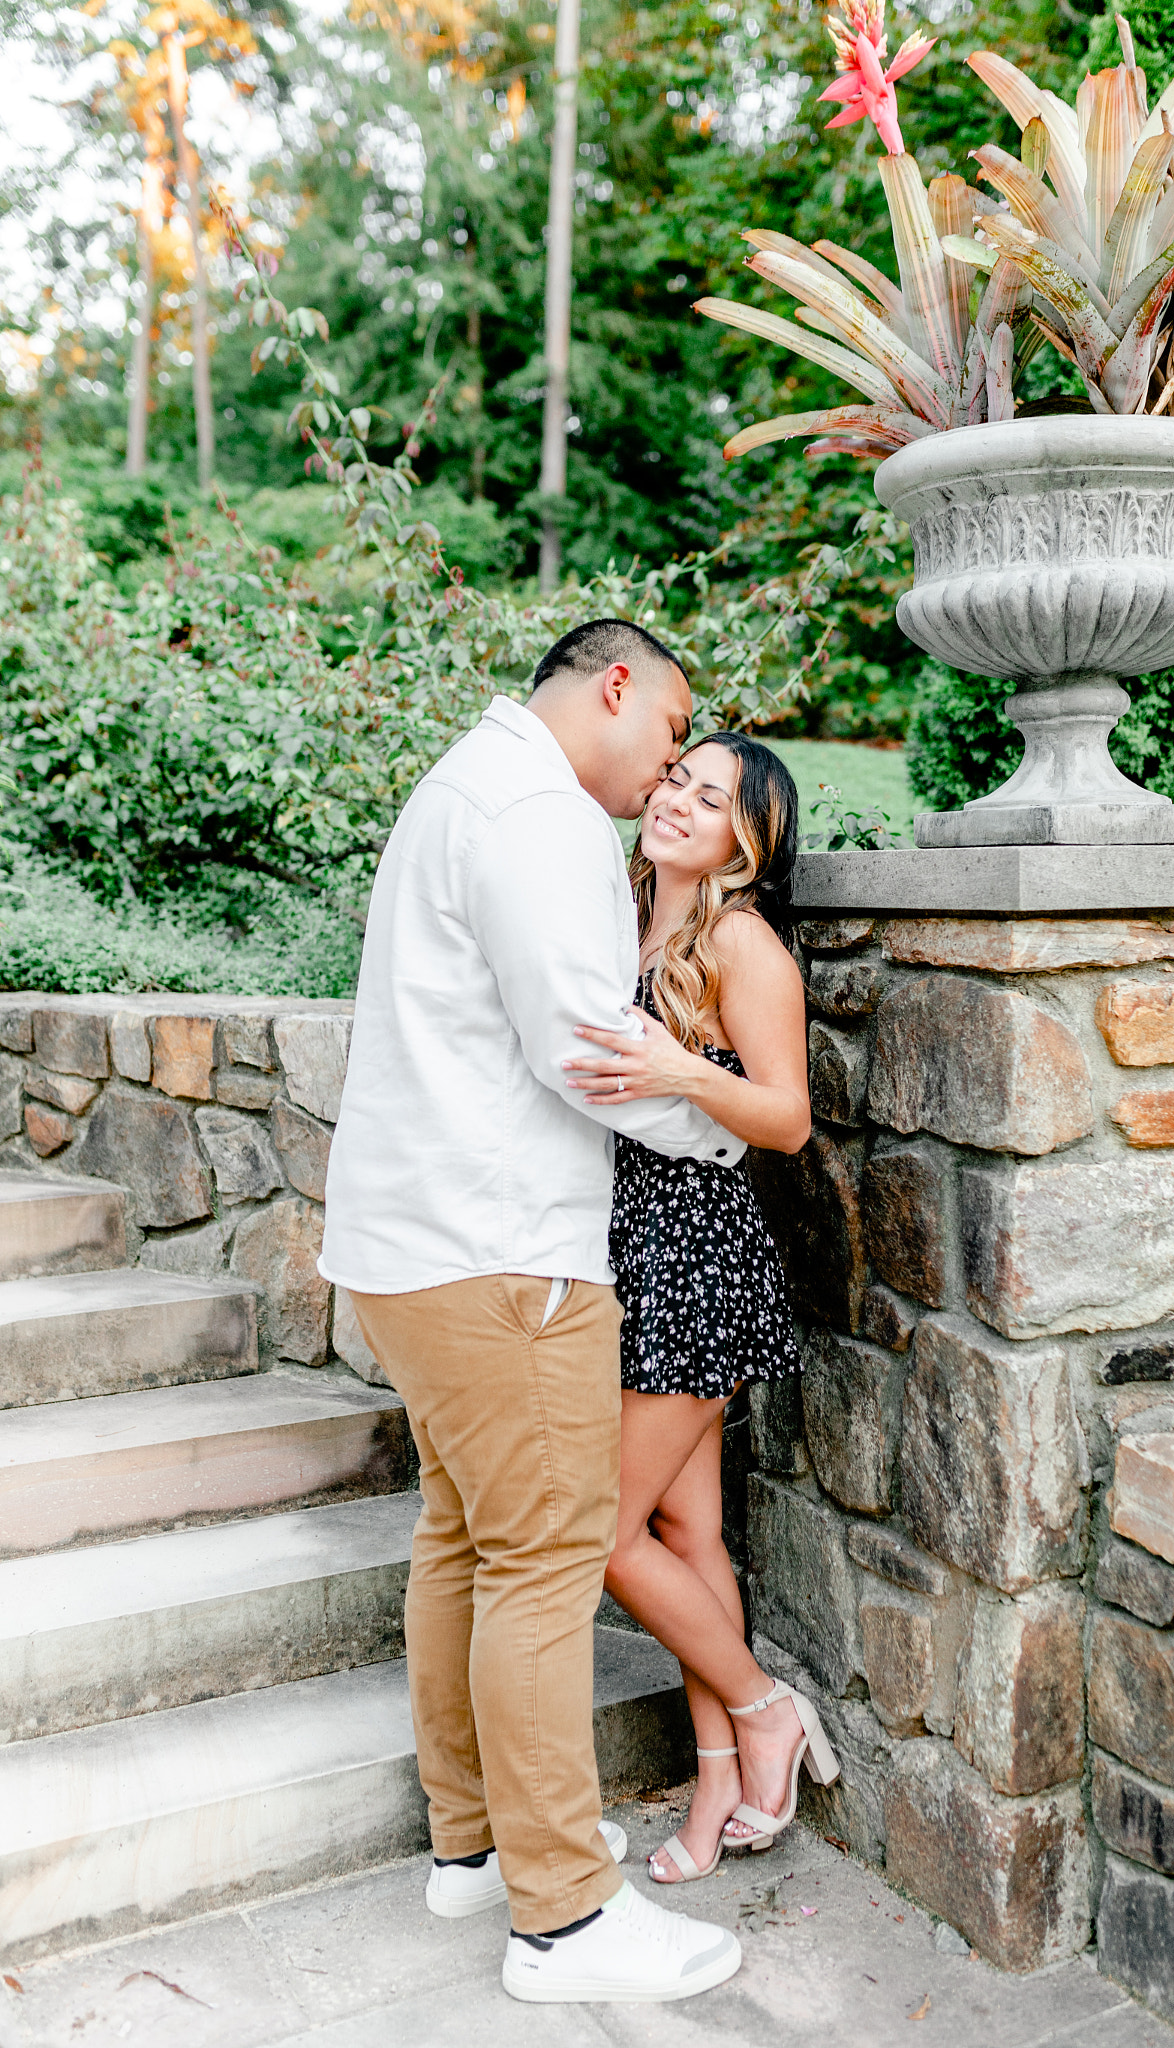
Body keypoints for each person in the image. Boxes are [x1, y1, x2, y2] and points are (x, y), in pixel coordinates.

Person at [319, 620, 747, 2005]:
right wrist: (724, 1134)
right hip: (502, 1255)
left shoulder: (460, 785)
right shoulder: (538, 812)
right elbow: (591, 1054)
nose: (672, 764)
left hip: (409, 1246)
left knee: (464, 1538)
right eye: (673, 731)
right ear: (614, 686)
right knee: (543, 1564)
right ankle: (562, 1915)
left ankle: (475, 1847)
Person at [563, 733, 840, 1886]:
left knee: (600, 1530)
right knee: (685, 1534)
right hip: (621, 1241)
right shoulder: (624, 914)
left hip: (693, 1252)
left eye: (710, 794)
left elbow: (786, 1118)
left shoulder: (740, 941)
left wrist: (683, 1071)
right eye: (677, 777)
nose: (677, 797)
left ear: (747, 837)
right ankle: (718, 1777)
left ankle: (764, 1704)